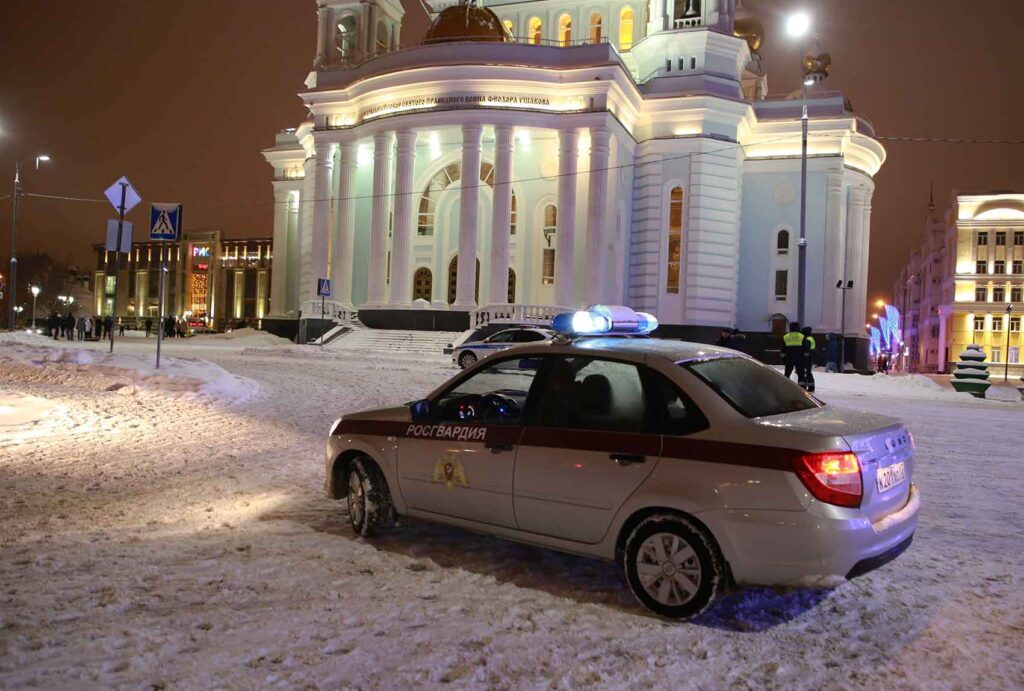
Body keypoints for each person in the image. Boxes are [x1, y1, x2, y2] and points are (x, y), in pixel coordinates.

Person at [801, 326, 816, 392]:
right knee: (808, 372)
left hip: (807, 358)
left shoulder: (808, 339)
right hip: (810, 357)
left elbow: (806, 349)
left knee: (807, 373)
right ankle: (811, 386)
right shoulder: (811, 338)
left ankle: (808, 386)